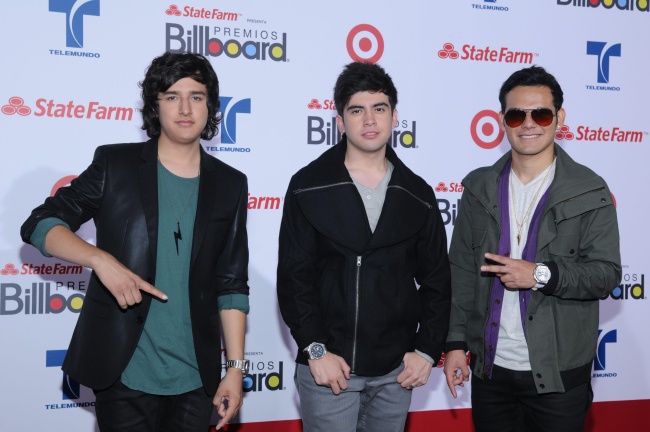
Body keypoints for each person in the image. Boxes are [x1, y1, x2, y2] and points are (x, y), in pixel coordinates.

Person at [21, 52, 250, 432]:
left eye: (196, 96)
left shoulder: (231, 183)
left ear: (211, 106)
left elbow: (232, 284)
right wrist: (100, 260)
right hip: (123, 369)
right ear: (155, 106)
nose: (185, 108)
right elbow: (40, 224)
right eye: (172, 96)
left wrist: (235, 369)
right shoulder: (116, 165)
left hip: (196, 377)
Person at [443, 65, 621, 432]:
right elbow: (460, 273)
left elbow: (606, 274)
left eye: (540, 114)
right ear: (501, 120)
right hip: (491, 370)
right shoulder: (478, 188)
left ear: (559, 118)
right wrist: (456, 343)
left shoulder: (590, 190)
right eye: (516, 115)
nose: (528, 124)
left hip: (558, 375)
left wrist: (540, 274)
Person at [276, 61, 451, 432]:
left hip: (396, 373)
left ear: (394, 116)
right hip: (330, 369)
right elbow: (294, 278)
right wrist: (316, 350)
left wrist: (426, 350)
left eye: (379, 108)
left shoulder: (418, 194)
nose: (370, 120)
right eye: (357, 110)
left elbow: (437, 280)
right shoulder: (308, 185)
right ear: (340, 121)